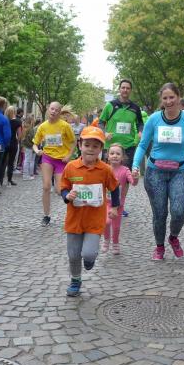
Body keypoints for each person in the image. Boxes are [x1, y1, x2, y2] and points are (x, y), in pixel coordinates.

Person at [132, 83, 184, 260]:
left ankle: (173, 237)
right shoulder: (154, 119)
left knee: (179, 211)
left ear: (178, 97)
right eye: (165, 98)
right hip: (155, 172)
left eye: (172, 97)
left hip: (179, 172)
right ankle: (159, 246)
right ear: (161, 100)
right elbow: (142, 145)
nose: (169, 101)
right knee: (160, 213)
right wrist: (135, 165)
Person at [60, 127, 119, 296]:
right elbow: (63, 187)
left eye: (95, 146)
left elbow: (115, 188)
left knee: (88, 254)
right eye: (87, 145)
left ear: (101, 149)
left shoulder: (105, 169)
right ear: (80, 145)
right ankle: (75, 281)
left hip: (94, 220)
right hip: (74, 220)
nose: (90, 149)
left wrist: (114, 207)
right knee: (73, 255)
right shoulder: (71, 167)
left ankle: (90, 259)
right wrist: (67, 196)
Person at [33, 102, 76, 227]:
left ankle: (75, 210)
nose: (54, 111)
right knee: (46, 187)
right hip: (47, 158)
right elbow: (35, 143)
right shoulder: (43, 126)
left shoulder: (65, 126)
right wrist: (37, 151)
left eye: (57, 110)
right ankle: (46, 216)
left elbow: (73, 142)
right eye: (52, 109)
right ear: (48, 110)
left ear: (59, 112)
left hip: (61, 160)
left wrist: (69, 156)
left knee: (59, 190)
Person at [99, 79, 144, 167]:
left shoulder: (135, 108)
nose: (125, 90)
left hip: (128, 147)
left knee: (126, 173)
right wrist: (104, 133)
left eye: (128, 88)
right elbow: (101, 123)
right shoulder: (110, 105)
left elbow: (140, 123)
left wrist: (140, 131)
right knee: (108, 173)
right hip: (111, 147)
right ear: (119, 89)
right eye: (123, 88)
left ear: (131, 90)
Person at [102, 144, 137, 254]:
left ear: (122, 157)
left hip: (118, 205)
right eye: (112, 153)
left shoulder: (125, 170)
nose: (115, 156)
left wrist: (135, 177)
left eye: (118, 154)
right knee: (106, 222)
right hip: (105, 203)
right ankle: (106, 240)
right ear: (107, 156)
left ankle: (115, 243)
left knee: (116, 227)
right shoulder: (104, 169)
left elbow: (133, 183)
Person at [5, 105, 21, 186]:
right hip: (13, 142)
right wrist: (18, 141)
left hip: (5, 142)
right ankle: (9, 180)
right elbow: (19, 134)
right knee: (11, 162)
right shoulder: (17, 122)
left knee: (2, 161)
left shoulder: (4, 120)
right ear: (14, 112)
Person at [20, 115, 37, 180]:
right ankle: (26, 175)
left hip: (26, 146)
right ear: (31, 121)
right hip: (30, 146)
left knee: (27, 160)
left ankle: (27, 174)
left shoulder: (24, 128)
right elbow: (32, 138)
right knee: (28, 161)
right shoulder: (30, 129)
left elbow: (22, 138)